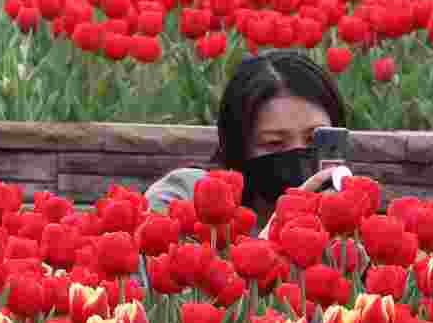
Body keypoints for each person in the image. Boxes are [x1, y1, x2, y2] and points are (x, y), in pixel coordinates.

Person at [144, 49, 347, 236]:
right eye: (274, 143)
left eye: (314, 139)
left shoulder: (347, 218)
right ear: (239, 146)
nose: (298, 155)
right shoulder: (184, 195)